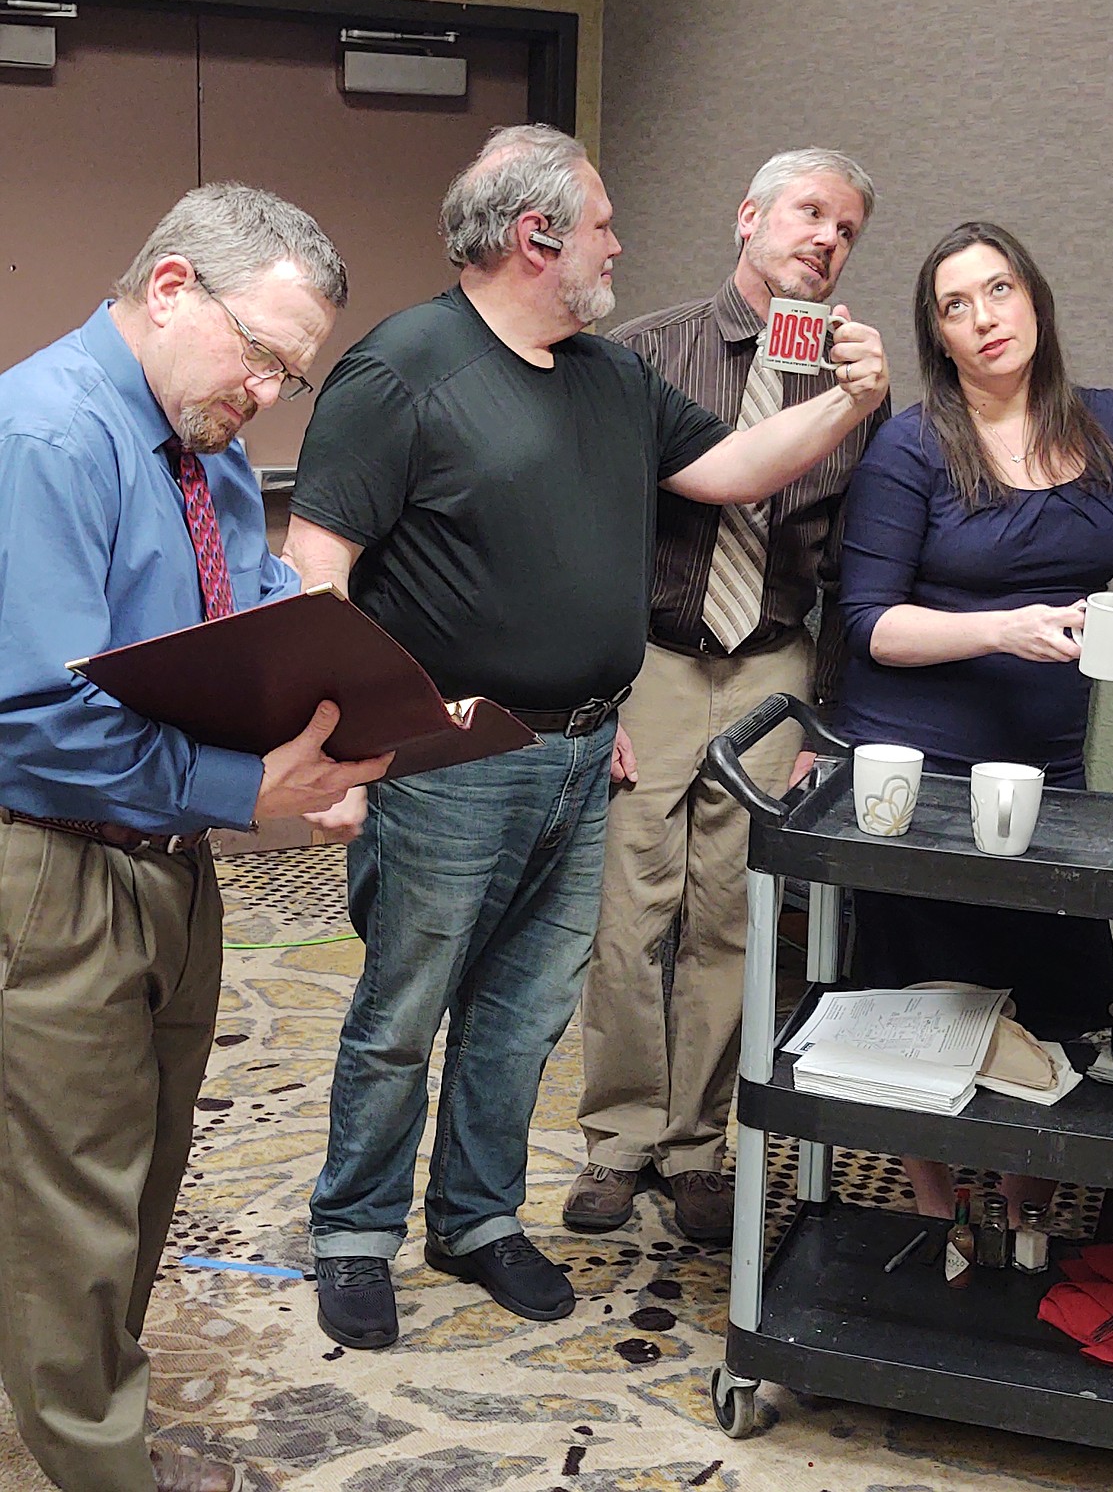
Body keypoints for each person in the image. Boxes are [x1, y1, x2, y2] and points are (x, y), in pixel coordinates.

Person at [283, 123, 888, 1350]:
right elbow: (317, 568)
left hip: (579, 749)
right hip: (446, 758)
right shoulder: (403, 368)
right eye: (602, 224)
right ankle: (355, 1231)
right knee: (409, 1006)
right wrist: (334, 752)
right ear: (536, 236)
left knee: (524, 1009)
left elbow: (730, 471)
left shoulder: (611, 378)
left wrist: (854, 401)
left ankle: (476, 1218)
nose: (618, 242)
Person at [0, 184, 389, 1492]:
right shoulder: (46, 434)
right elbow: (27, 725)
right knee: (73, 1204)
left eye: (296, 374)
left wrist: (357, 719)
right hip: (55, 866)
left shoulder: (207, 447)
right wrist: (249, 791)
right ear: (170, 288)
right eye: (263, 356)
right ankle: (97, 1465)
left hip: (170, 861)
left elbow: (253, 620)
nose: (270, 395)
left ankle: (87, 1399)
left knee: (147, 1163)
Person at [563, 148, 890, 1246]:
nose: (825, 239)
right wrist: (599, 687)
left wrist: (820, 724)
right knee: (630, 913)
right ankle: (617, 1137)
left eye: (845, 230)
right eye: (808, 214)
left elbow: (852, 567)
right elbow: (598, 533)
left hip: (772, 664)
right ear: (748, 216)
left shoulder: (856, 389)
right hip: (651, 659)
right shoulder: (646, 353)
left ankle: (704, 1144)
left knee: (734, 919)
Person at [834, 220, 1113, 1222]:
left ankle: (1024, 1209)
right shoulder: (912, 445)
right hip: (923, 771)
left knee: (1061, 989)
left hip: (1053, 770)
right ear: (937, 337)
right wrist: (1001, 628)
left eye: (1000, 290)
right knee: (922, 994)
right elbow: (873, 627)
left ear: (1035, 300)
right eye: (956, 305)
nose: (985, 318)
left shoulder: (1112, 425)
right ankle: (941, 1217)